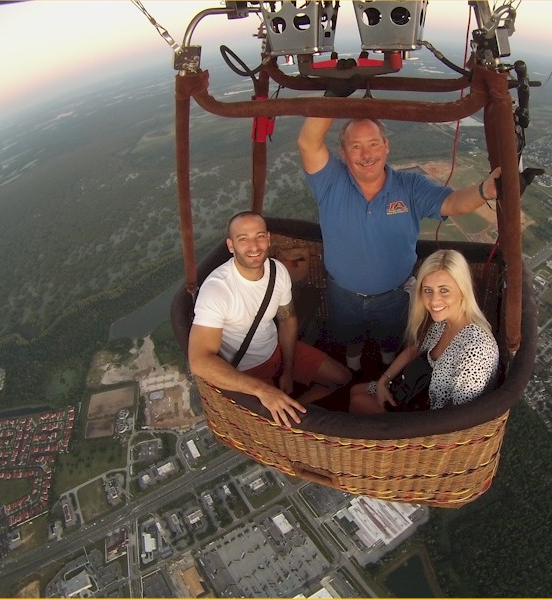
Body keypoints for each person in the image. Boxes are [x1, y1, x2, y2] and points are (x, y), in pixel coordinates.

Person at [298, 116, 501, 374]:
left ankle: (387, 374)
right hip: (343, 293)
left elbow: (453, 203)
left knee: (391, 342)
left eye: (373, 144)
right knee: (349, 341)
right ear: (343, 151)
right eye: (356, 146)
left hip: (394, 295)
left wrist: (485, 190)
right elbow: (308, 142)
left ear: (386, 146)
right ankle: (353, 373)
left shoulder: (410, 186)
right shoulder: (330, 181)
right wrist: (332, 97)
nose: (366, 154)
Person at [188, 211, 352, 427]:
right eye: (243, 239)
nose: (254, 247)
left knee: (342, 379)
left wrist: (289, 369)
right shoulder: (218, 290)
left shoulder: (277, 271)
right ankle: (290, 411)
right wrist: (262, 390)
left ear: (268, 239)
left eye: (259, 236)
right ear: (231, 246)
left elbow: (287, 320)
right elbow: (199, 361)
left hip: (275, 350)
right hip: (245, 371)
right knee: (276, 423)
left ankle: (294, 405)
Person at [349, 249, 499, 414]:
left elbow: (460, 418)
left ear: (463, 291)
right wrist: (383, 381)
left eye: (444, 290)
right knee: (355, 391)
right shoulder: (443, 323)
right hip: (414, 390)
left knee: (359, 402)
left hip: (427, 422)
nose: (434, 301)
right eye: (428, 290)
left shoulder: (477, 349)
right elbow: (414, 350)